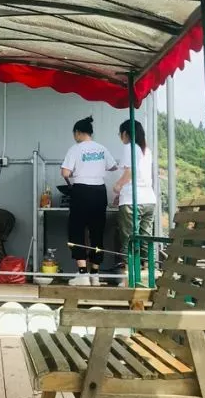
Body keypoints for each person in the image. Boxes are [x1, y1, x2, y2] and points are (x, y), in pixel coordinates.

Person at [61, 116, 117, 285]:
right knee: (97, 232)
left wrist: (76, 172)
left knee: (77, 231)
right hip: (99, 191)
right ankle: (95, 274)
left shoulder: (75, 149)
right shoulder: (102, 148)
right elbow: (113, 166)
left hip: (81, 191)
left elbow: (65, 173)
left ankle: (82, 274)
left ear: (78, 133)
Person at [112, 118, 157, 278]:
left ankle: (129, 275)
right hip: (149, 200)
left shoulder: (129, 147)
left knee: (129, 239)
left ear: (125, 133)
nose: (120, 137)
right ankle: (147, 274)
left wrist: (118, 186)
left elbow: (130, 172)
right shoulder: (147, 150)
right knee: (145, 239)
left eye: (120, 134)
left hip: (132, 200)